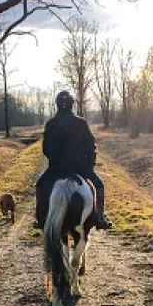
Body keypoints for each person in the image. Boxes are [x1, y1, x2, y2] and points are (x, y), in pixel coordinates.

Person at [34, 91, 112, 230]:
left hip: (56, 170)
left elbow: (45, 149)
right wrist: (89, 166)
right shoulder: (81, 123)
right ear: (72, 105)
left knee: (40, 186)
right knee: (99, 186)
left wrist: (56, 161)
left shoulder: (51, 124)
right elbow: (90, 146)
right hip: (80, 168)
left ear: (57, 105)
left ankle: (40, 220)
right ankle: (100, 218)